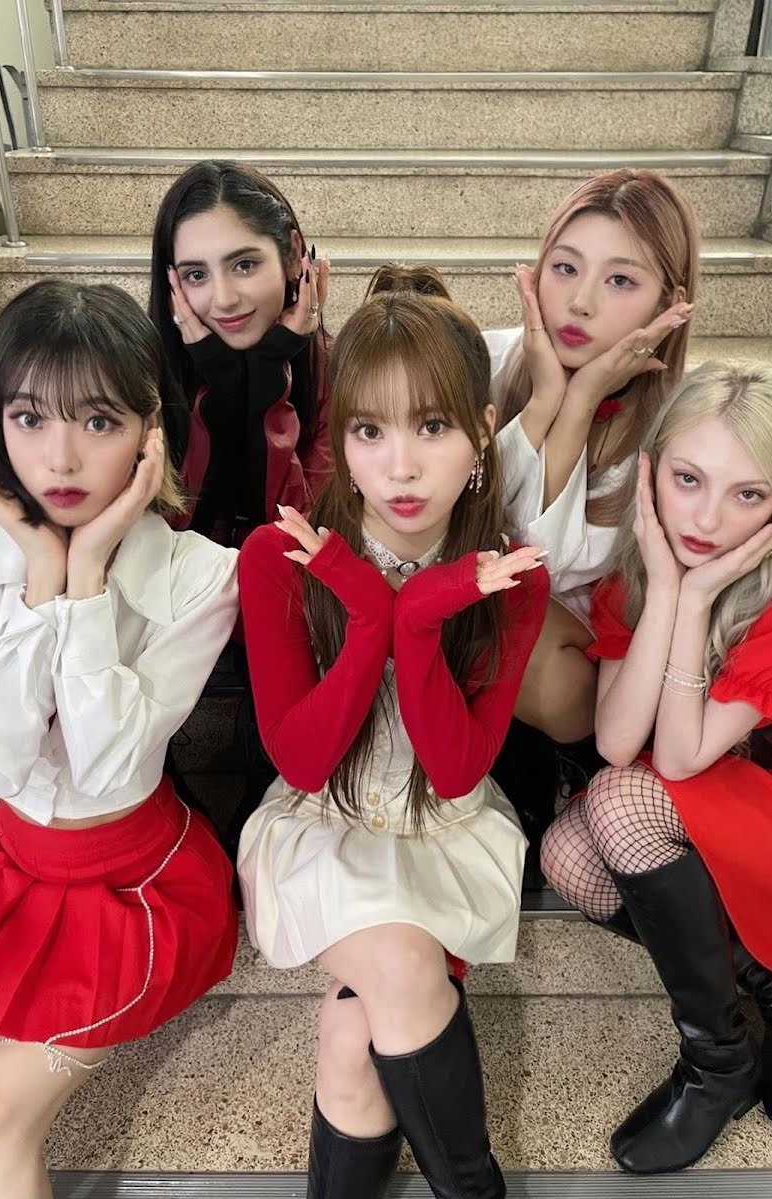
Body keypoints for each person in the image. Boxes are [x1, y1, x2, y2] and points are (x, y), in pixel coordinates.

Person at [0, 280, 240, 1199]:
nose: (60, 456)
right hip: (6, 868)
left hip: (136, 885)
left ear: (151, 432)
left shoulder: (203, 576)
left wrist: (85, 577)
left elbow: (106, 762)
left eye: (98, 420)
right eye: (29, 417)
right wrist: (38, 580)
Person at [236, 285, 549, 1198]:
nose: (400, 466)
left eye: (434, 426)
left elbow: (454, 773)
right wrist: (371, 616)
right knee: (405, 969)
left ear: (483, 431)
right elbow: (302, 761)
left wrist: (417, 621)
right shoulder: (281, 558)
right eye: (369, 431)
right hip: (317, 829)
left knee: (349, 1037)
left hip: (443, 834)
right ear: (339, 436)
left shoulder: (510, 578)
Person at [540, 359, 772, 1174]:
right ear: (651, 470)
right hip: (720, 810)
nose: (708, 518)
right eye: (688, 479)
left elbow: (676, 756)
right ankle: (771, 993)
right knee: (567, 855)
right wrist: (667, 589)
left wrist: (699, 594)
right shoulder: (639, 572)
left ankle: (713, 1064)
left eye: (747, 494)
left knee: (619, 803)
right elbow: (618, 737)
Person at [149, 159, 331, 848]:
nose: (222, 298)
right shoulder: (149, 371)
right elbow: (168, 529)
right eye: (195, 274)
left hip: (282, 589)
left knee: (282, 571)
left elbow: (299, 523)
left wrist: (264, 385)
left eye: (244, 264)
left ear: (293, 255)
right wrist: (224, 387)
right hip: (179, 585)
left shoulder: (332, 367)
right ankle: (161, 803)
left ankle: (269, 796)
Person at [489, 169, 698, 762]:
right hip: (473, 609)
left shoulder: (677, 427)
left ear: (670, 304)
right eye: (565, 268)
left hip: (570, 654)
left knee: (508, 630)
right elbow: (455, 523)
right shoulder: (485, 357)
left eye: (621, 280)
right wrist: (544, 400)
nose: (581, 302)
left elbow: (534, 568)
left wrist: (578, 402)